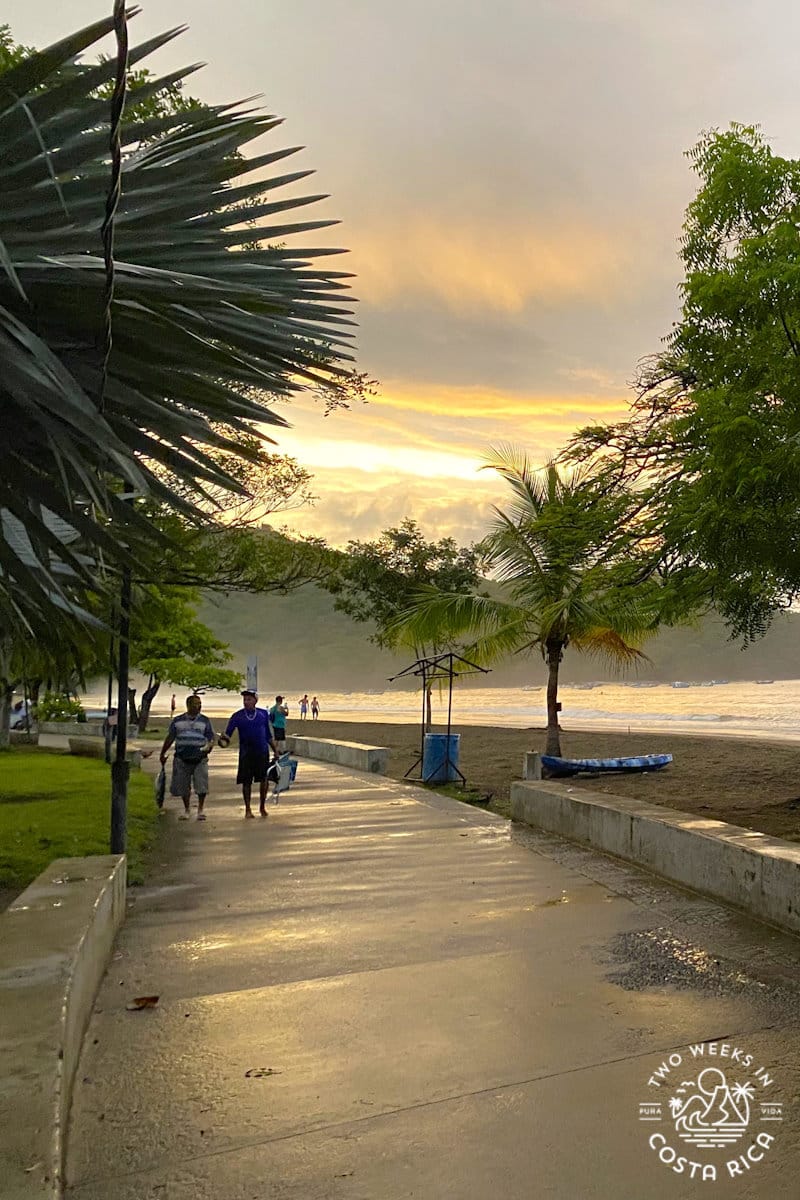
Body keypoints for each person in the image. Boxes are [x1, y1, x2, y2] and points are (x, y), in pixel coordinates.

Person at [219, 690, 278, 818]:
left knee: (264, 780)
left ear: (255, 701)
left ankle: (262, 807)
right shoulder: (237, 716)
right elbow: (227, 735)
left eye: (249, 699)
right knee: (246, 782)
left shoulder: (263, 714)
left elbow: (268, 735)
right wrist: (222, 740)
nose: (246, 702)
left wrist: (275, 751)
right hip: (246, 754)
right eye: (244, 700)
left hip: (262, 752)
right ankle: (248, 809)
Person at [159, 694, 215, 821]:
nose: (199, 706)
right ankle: (187, 809)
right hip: (181, 757)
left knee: (201, 785)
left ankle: (200, 810)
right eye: (196, 704)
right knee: (184, 786)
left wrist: (210, 746)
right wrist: (162, 753)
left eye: (200, 704)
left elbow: (211, 737)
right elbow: (170, 737)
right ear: (188, 705)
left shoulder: (205, 720)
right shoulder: (178, 720)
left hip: (200, 758)